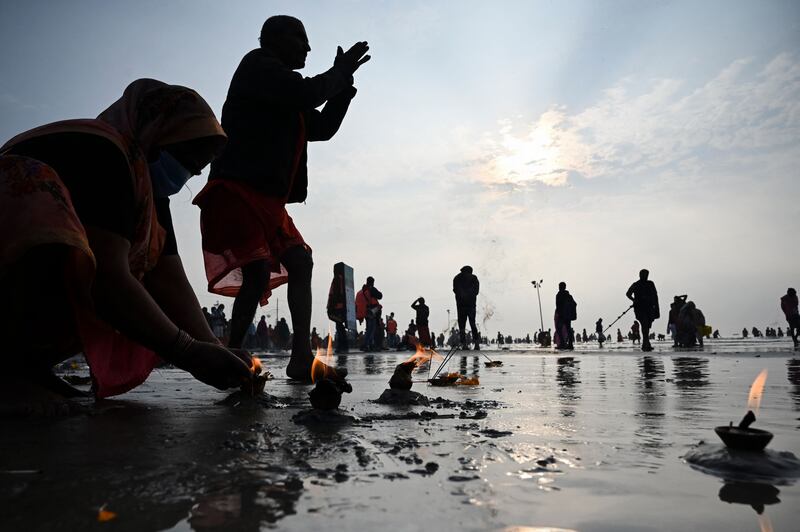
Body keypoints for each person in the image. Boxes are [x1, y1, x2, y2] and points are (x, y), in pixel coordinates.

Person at [0, 79, 254, 411]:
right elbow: (106, 279)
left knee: (137, 268)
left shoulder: (144, 189)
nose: (185, 176)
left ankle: (24, 365)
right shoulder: (106, 153)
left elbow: (169, 278)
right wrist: (188, 352)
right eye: (186, 161)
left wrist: (211, 347)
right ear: (157, 136)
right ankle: (10, 367)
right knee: (98, 267)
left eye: (194, 171)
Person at [193, 16, 370, 380]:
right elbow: (305, 93)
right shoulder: (258, 66)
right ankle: (232, 354)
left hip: (269, 202)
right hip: (237, 190)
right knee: (257, 273)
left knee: (300, 263)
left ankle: (301, 357)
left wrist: (343, 85)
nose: (307, 48)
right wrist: (337, 73)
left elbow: (320, 128)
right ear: (274, 39)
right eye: (301, 39)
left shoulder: (288, 89)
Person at [626, 269, 660, 351]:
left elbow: (655, 296)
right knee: (644, 324)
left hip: (650, 308)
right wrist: (634, 300)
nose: (645, 276)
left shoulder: (650, 284)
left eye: (646, 274)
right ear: (640, 275)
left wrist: (657, 309)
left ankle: (646, 343)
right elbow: (628, 294)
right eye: (643, 274)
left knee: (647, 326)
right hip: (640, 308)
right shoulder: (636, 284)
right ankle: (645, 344)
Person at [453, 265, 480, 350]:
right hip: (471, 305)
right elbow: (476, 291)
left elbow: (455, 290)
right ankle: (476, 344)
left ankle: (464, 344)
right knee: (472, 324)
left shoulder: (457, 278)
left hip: (461, 305)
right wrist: (469, 295)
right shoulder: (474, 278)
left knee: (462, 326)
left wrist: (462, 295)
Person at [355, 276, 382, 351]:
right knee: (371, 329)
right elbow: (380, 296)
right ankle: (367, 344)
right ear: (372, 282)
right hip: (371, 312)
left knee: (368, 328)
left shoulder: (361, 291)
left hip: (365, 312)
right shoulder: (371, 289)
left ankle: (369, 344)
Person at [326, 265, 348, 353]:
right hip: (342, 307)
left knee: (339, 327)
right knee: (340, 327)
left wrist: (331, 306)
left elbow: (335, 293)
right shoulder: (344, 280)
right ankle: (344, 345)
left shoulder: (337, 279)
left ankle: (341, 346)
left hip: (337, 307)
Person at [554, 282, 577, 350]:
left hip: (562, 315)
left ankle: (562, 344)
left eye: (559, 286)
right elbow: (574, 304)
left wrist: (559, 314)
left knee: (559, 329)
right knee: (568, 329)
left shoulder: (559, 295)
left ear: (561, 287)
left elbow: (558, 305)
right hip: (568, 315)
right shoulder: (569, 295)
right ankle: (570, 344)